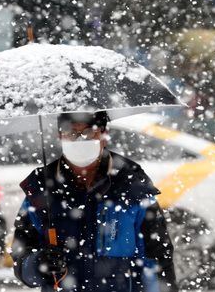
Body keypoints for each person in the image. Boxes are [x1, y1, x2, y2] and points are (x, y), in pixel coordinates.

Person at [11, 111, 177, 292]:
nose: (80, 140)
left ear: (104, 135)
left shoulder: (131, 184)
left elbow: (158, 257)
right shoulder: (40, 188)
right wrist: (37, 263)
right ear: (60, 136)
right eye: (72, 133)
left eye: (89, 133)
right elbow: (21, 257)